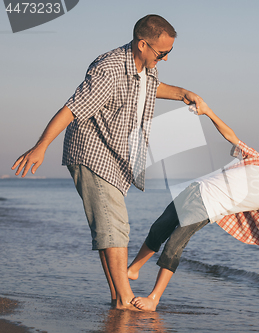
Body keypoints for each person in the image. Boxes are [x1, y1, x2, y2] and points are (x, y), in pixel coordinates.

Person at [11, 14, 204, 310]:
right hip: (91, 152)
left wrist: (182, 94)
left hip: (116, 157)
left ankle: (117, 298)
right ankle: (126, 298)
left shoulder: (146, 68)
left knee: (108, 228)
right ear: (143, 44)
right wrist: (41, 146)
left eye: (169, 53)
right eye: (162, 53)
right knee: (115, 227)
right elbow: (71, 109)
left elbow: (150, 88)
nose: (165, 59)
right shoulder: (109, 69)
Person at [127, 101, 259, 311]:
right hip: (193, 190)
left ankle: (154, 299)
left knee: (174, 245)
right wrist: (208, 112)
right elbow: (232, 137)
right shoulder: (258, 160)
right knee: (158, 229)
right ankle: (134, 269)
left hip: (207, 207)